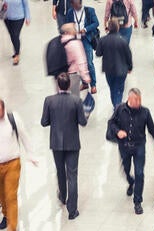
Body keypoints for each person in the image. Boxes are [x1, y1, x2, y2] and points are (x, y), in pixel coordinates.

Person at [40, 73, 88, 220]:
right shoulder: (76, 101)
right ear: (69, 85)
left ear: (57, 85)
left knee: (60, 171)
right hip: (72, 143)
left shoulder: (49, 101)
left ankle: (62, 195)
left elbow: (44, 122)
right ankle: (72, 210)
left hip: (56, 143)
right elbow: (83, 122)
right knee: (72, 175)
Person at [107, 88, 154, 215]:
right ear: (129, 99)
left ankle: (137, 202)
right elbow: (111, 122)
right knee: (125, 169)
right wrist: (118, 131)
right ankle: (131, 182)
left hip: (139, 146)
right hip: (124, 146)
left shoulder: (145, 112)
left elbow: (151, 128)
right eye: (136, 100)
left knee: (140, 173)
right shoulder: (120, 109)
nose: (138, 102)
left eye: (140, 99)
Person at [0, 99, 35, 231]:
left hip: (12, 163)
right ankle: (6, 215)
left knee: (11, 196)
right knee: (2, 196)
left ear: (4, 108)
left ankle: (12, 227)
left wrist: (31, 154)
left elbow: (24, 135)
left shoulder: (13, 119)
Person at [96, 19, 133, 109]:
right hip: (122, 70)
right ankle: (117, 107)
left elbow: (98, 53)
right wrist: (130, 67)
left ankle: (116, 106)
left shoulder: (102, 40)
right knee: (119, 89)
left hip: (109, 70)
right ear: (118, 27)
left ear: (108, 28)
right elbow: (128, 55)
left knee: (112, 89)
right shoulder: (123, 40)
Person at [66, 0, 100, 94]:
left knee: (89, 62)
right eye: (76, 5)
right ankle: (84, 83)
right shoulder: (70, 12)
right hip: (75, 40)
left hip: (86, 39)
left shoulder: (89, 11)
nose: (78, 6)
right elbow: (68, 25)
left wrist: (85, 29)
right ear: (72, 4)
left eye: (79, 4)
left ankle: (93, 85)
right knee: (78, 63)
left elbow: (96, 23)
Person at [61, 22, 91, 94]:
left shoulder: (60, 41)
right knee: (74, 97)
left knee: (62, 96)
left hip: (60, 76)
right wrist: (85, 77)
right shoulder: (75, 43)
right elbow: (81, 61)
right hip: (72, 75)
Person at [3, 0, 29, 66]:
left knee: (15, 35)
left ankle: (17, 55)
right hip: (7, 18)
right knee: (12, 35)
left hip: (19, 18)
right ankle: (16, 50)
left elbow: (26, 5)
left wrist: (27, 17)